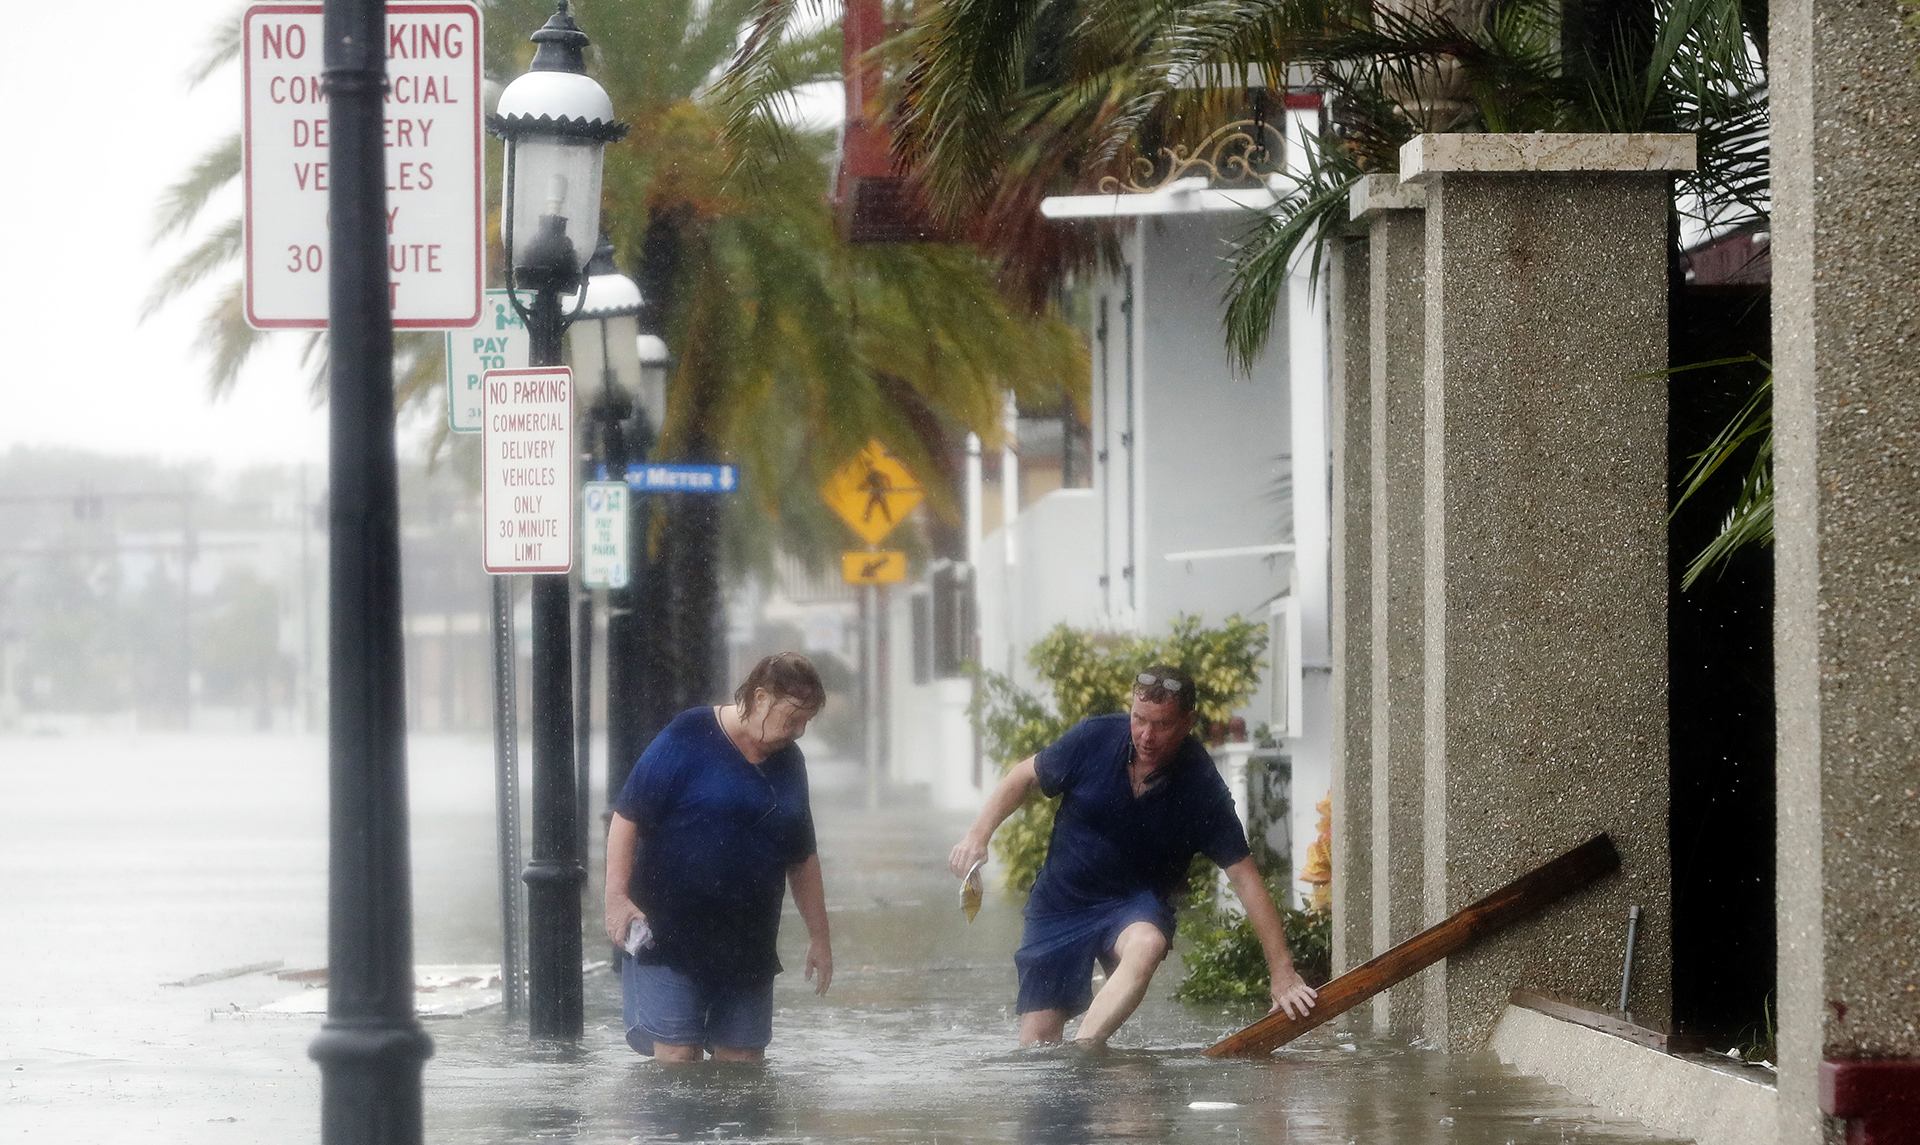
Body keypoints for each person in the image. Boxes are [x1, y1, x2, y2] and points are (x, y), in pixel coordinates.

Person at [949, 665, 1318, 1045]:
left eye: (1162, 725)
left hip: (1133, 906)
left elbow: (1245, 877)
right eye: (1139, 719)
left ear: (1189, 721)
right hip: (1061, 902)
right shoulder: (1094, 737)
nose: (1146, 735)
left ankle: (1084, 1054)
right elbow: (1022, 777)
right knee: (1037, 1047)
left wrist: (1283, 972)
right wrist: (978, 836)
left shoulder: (1201, 786)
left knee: (1148, 944)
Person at [604, 653, 833, 1062]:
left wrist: (820, 937)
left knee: (743, 1067)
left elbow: (802, 857)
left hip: (748, 943)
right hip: (669, 935)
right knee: (678, 1060)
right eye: (792, 718)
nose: (798, 732)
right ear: (760, 698)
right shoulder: (689, 734)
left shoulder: (790, 763)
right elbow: (627, 817)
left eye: (806, 722)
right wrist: (616, 897)